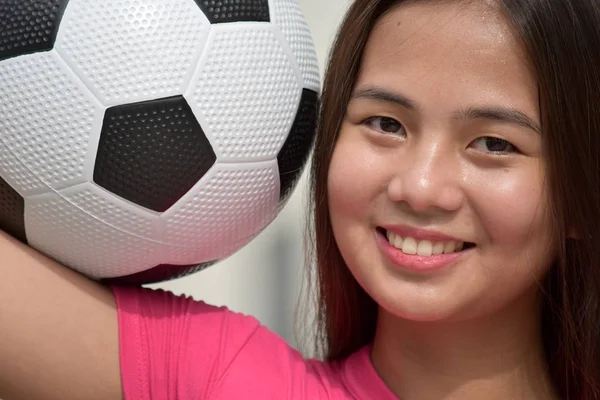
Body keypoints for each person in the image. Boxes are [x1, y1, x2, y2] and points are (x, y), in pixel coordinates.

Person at [1, 0, 600, 399]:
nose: (418, 188)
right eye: (386, 124)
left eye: (494, 143)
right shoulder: (218, 376)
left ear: (581, 193)